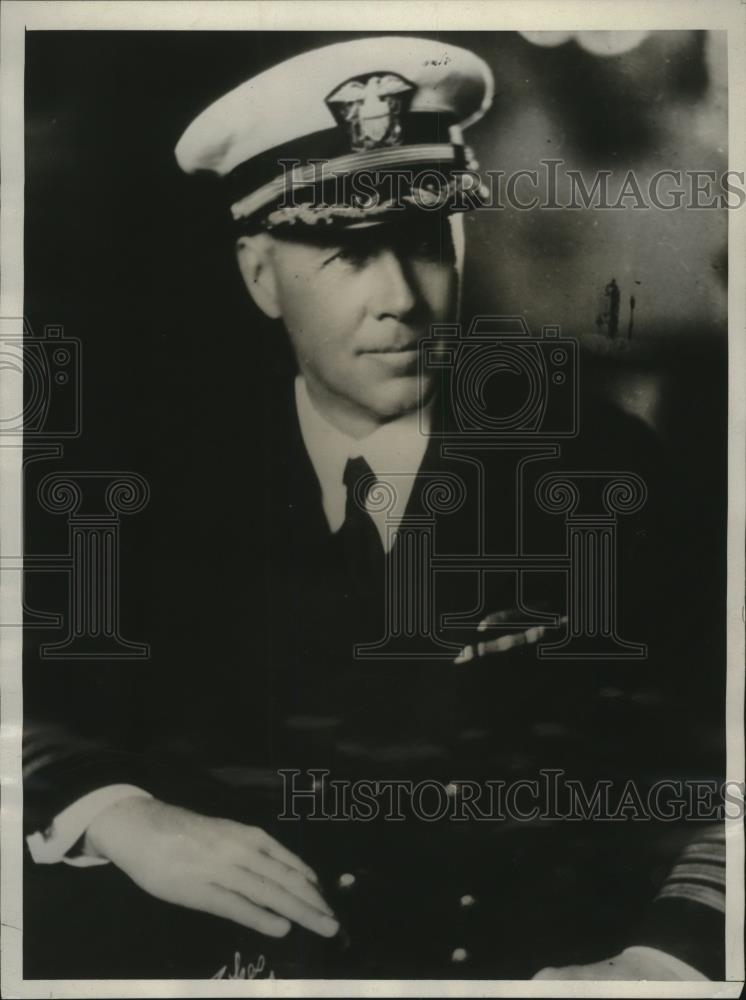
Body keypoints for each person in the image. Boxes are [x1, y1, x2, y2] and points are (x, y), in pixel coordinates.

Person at [23, 35, 724, 980]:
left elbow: (714, 751)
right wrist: (118, 811)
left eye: (426, 242)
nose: (400, 297)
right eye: (348, 254)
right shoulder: (165, 480)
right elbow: (39, 698)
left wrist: (668, 960)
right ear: (259, 274)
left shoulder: (597, 466)